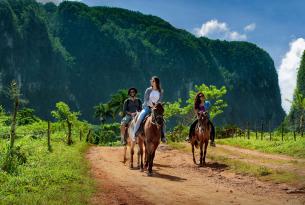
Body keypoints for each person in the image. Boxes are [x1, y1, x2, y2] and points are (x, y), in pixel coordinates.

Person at [132, 76, 167, 143]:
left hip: (156, 109)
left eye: (153, 81)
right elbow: (145, 100)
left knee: (163, 121)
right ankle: (134, 135)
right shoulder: (148, 90)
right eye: (151, 80)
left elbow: (160, 100)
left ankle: (163, 136)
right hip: (147, 107)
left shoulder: (160, 91)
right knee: (139, 118)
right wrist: (151, 105)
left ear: (156, 82)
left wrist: (156, 106)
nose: (151, 81)